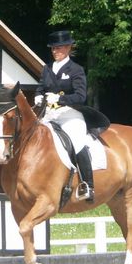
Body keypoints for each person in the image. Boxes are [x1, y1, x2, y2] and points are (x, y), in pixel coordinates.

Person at [35, 30, 97, 202]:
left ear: (69, 48)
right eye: (53, 48)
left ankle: (88, 185)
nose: (55, 51)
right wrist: (38, 96)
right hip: (50, 114)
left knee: (77, 142)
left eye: (59, 48)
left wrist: (61, 98)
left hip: (70, 114)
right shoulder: (47, 69)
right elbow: (41, 87)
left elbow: (80, 96)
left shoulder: (76, 70)